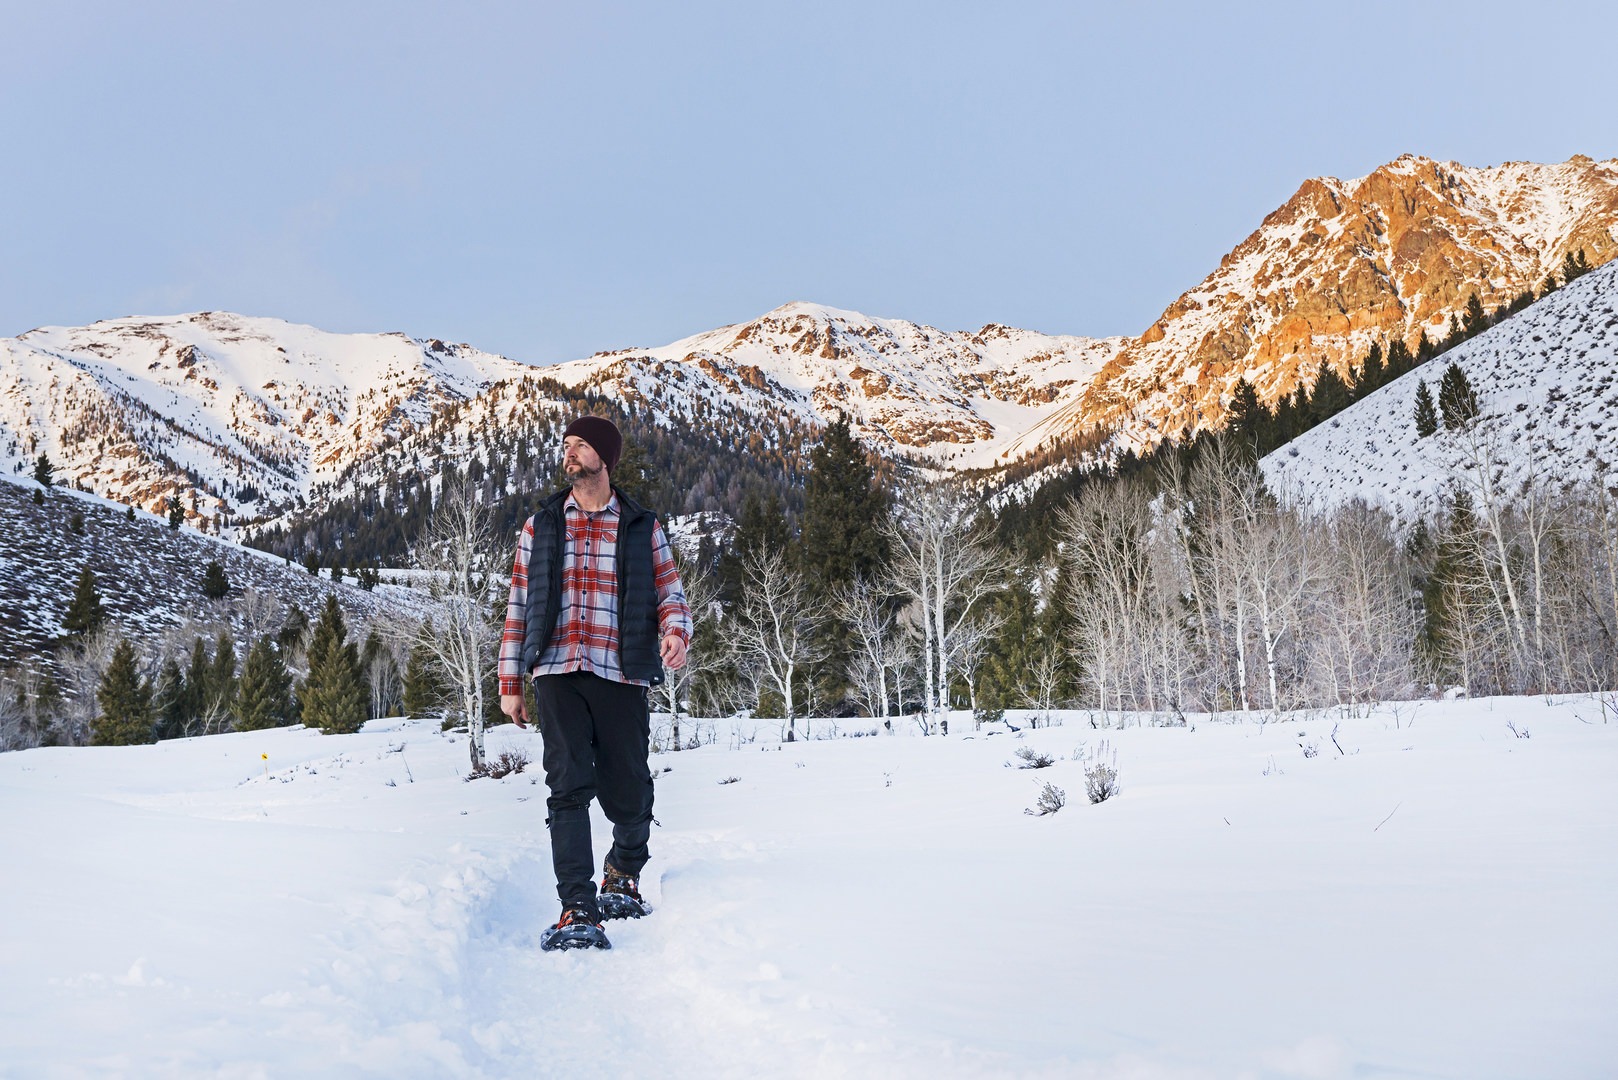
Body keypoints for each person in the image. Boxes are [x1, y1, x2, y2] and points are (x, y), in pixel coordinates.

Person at [498, 416, 692, 951]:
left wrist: (675, 633)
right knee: (567, 788)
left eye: (581, 445)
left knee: (629, 790)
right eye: (566, 445)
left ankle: (624, 869)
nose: (570, 453)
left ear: (604, 457)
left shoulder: (640, 526)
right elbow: (519, 605)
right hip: (557, 670)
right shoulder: (541, 526)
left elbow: (671, 594)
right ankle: (577, 907)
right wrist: (509, 678)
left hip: (621, 669)